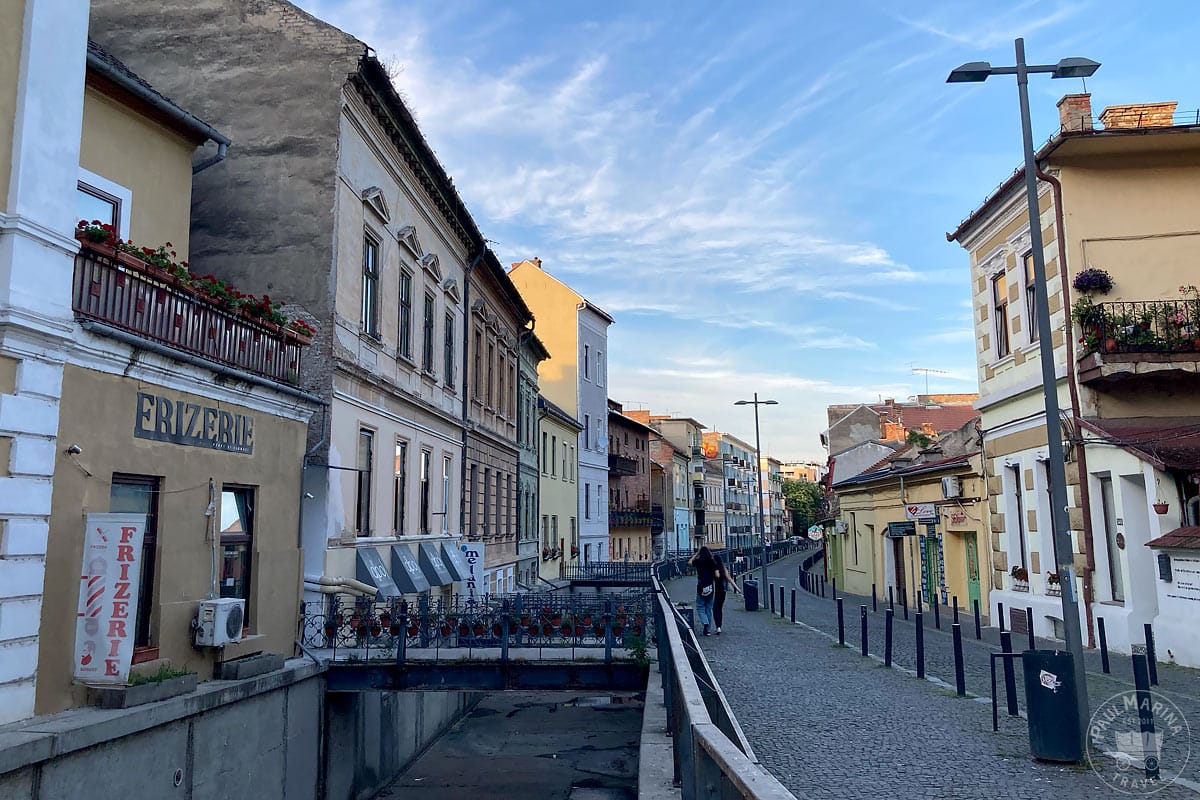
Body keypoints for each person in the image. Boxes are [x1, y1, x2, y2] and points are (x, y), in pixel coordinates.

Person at [688, 545, 719, 636]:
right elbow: (717, 575)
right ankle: (708, 630)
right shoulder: (713, 562)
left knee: (700, 606)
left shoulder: (699, 561)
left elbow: (690, 562)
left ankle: (705, 623)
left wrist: (696, 554)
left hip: (701, 585)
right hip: (710, 586)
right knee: (708, 608)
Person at [712, 552, 740, 635]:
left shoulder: (715, 569)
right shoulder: (724, 569)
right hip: (723, 591)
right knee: (719, 608)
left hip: (717, 591)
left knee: (715, 609)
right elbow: (730, 579)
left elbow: (716, 576)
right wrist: (737, 588)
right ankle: (719, 626)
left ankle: (718, 626)